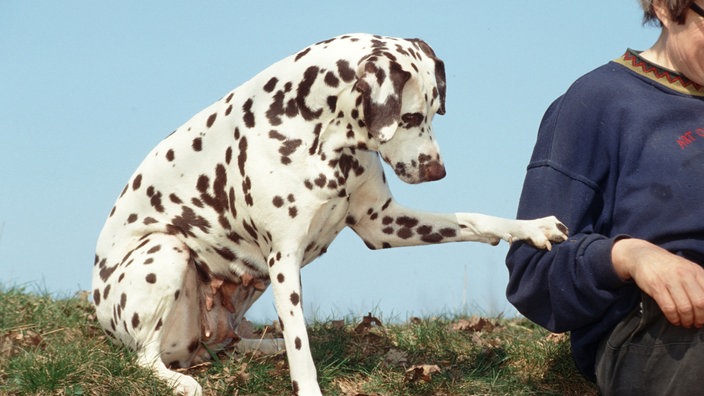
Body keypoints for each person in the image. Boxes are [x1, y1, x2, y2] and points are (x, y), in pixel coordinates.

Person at [505, 0, 704, 394]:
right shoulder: (600, 100)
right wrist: (631, 256)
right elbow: (532, 271)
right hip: (663, 332)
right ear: (666, 8)